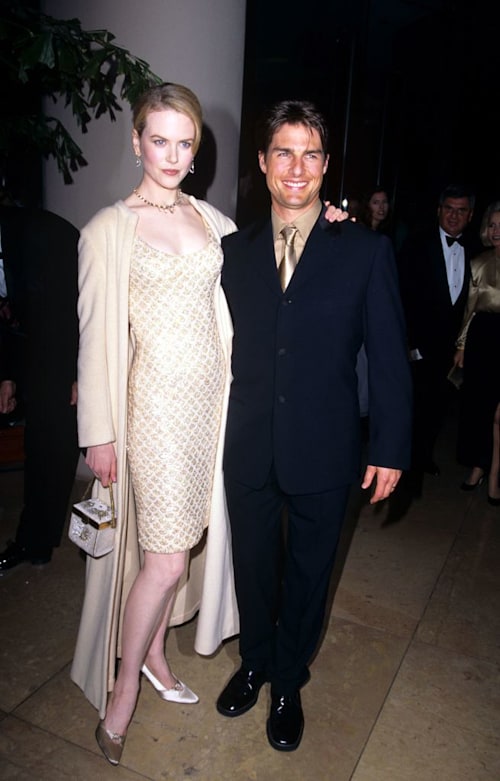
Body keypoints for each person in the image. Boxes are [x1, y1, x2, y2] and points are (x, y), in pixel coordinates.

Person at [216, 100, 412, 752]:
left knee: (307, 571)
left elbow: (387, 355)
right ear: (264, 163)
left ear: (326, 166)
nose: (296, 167)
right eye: (283, 151)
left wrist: (389, 445)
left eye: (310, 153)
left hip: (327, 444)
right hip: (246, 441)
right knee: (252, 564)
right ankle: (255, 659)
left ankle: (288, 681)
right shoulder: (231, 253)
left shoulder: (363, 250)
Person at [71, 82, 242, 766]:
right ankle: (122, 692)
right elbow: (94, 337)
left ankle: (159, 658)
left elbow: (268, 277)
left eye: (185, 142)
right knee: (166, 556)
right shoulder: (109, 228)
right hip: (155, 411)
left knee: (172, 549)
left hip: (212, 410)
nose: (172, 155)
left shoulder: (214, 222)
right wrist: (97, 432)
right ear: (136, 140)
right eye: (159, 139)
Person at [0, 205, 80, 569]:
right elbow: (15, 315)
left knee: (64, 452)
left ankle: (105, 545)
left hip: (66, 359)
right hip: (38, 358)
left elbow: (78, 309)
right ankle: (36, 543)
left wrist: (83, 374)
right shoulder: (14, 235)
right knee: (45, 451)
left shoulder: (44, 233)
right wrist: (9, 375)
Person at [398, 184, 477, 476]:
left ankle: (424, 455)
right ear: (439, 211)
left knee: (439, 404)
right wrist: (408, 342)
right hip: (420, 344)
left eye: (461, 211)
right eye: (449, 209)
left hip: (453, 348)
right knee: (414, 403)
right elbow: (402, 295)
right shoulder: (417, 245)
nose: (454, 216)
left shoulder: (476, 251)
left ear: (470, 215)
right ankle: (406, 459)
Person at [453, 201, 500, 505]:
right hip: (484, 339)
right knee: (481, 410)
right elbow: (469, 310)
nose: (497, 231)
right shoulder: (479, 263)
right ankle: (480, 466)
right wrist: (461, 346)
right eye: (493, 225)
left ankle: (493, 474)